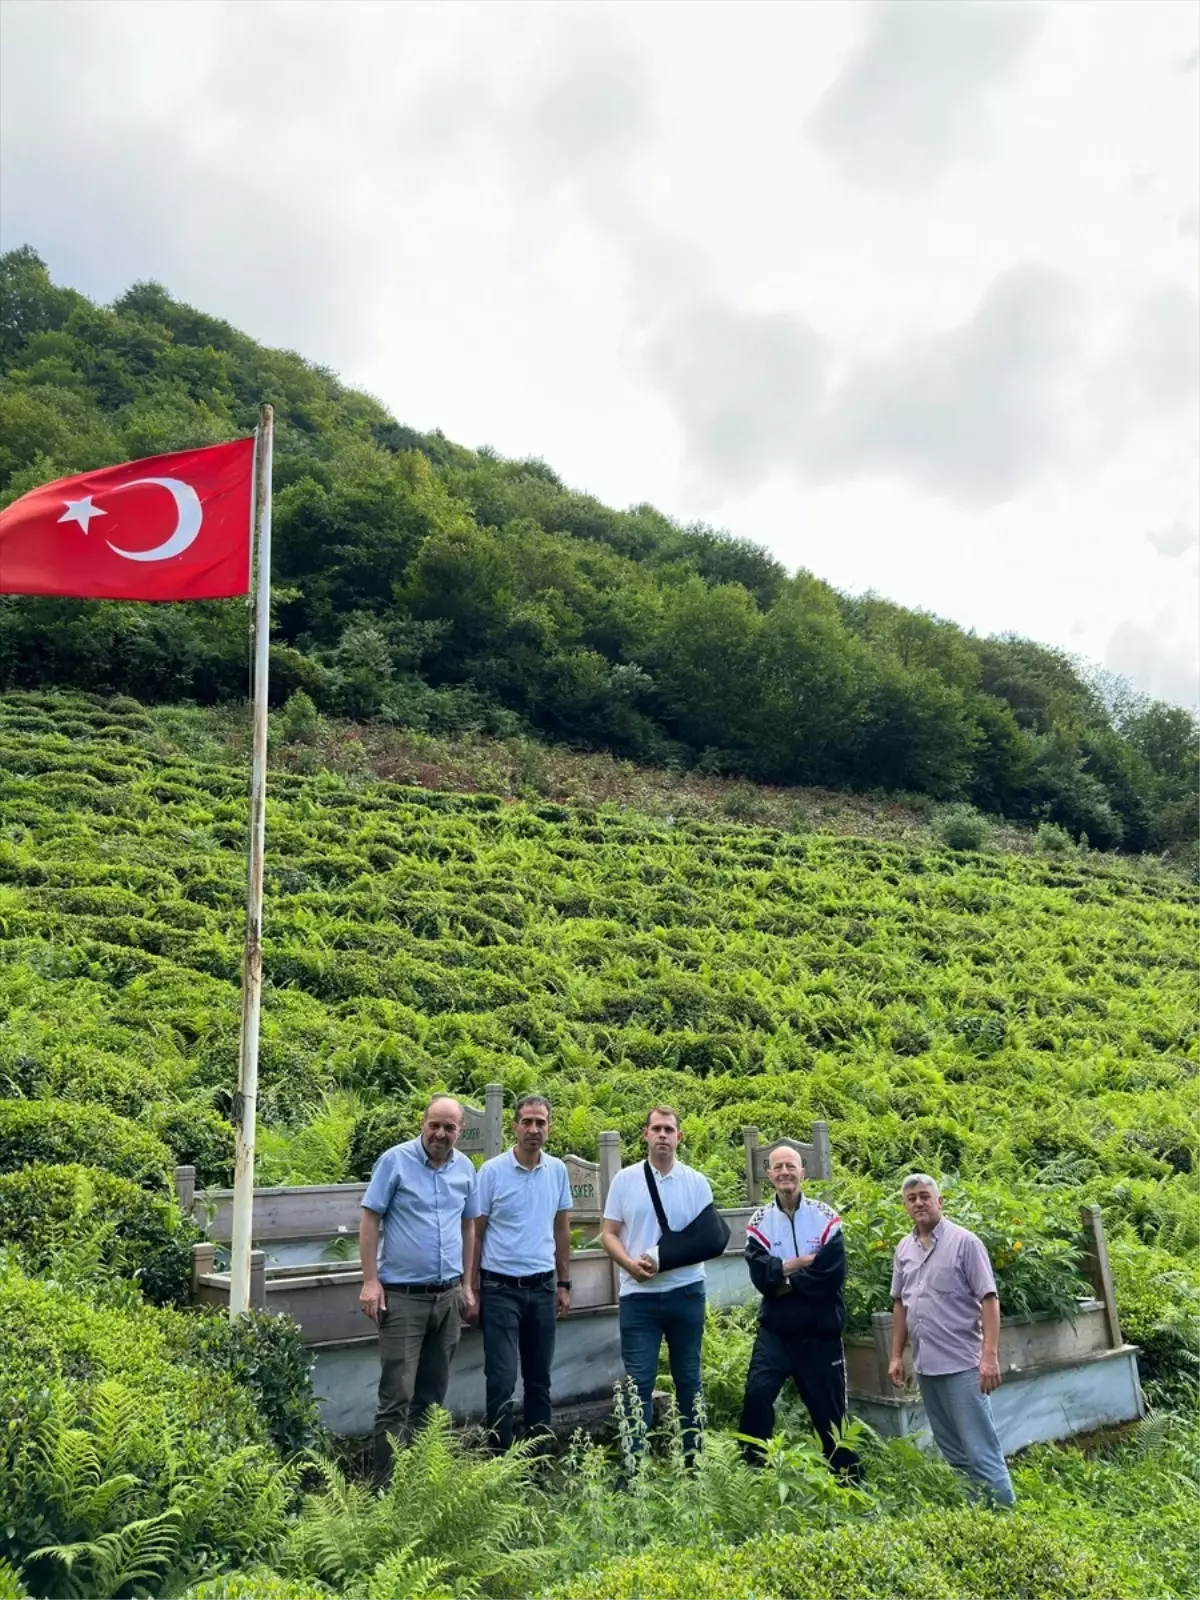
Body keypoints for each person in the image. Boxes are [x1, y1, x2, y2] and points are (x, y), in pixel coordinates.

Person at [359, 1094, 479, 1481]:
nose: (440, 1134)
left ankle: (421, 1481)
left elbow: (468, 1225)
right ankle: (387, 1487)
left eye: (449, 1127)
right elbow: (369, 1219)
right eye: (434, 1125)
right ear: (422, 1123)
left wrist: (467, 1284)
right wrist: (370, 1281)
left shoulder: (465, 1169)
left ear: (460, 1130)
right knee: (396, 1397)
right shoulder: (395, 1161)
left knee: (432, 1397)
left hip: (447, 1298)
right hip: (403, 1300)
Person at [888, 1173, 1016, 1507]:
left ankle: (1009, 1521)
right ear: (905, 1206)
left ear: (939, 1201)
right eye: (912, 1198)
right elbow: (900, 1303)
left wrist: (988, 1357)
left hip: (963, 1365)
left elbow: (989, 1299)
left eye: (925, 1196)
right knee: (954, 1452)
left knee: (981, 1452)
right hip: (928, 1366)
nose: (918, 1203)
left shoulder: (965, 1243)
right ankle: (977, 1518)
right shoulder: (904, 1249)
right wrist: (896, 1356)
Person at [738, 1142, 860, 1478]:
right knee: (757, 1397)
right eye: (778, 1167)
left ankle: (847, 1481)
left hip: (821, 1333)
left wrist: (785, 1278)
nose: (785, 1173)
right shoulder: (759, 1221)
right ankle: (752, 1473)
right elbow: (761, 1277)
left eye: (790, 1166)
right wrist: (803, 1263)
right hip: (775, 1333)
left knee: (831, 1414)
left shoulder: (825, 1217)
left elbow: (832, 1274)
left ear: (803, 1172)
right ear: (769, 1175)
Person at [601, 1105, 713, 1457]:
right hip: (639, 1297)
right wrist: (630, 1266)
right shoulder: (625, 1180)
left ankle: (695, 1461)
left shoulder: (696, 1182)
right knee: (639, 1384)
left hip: (686, 1293)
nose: (663, 1135)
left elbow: (708, 1240)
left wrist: (662, 1260)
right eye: (657, 1129)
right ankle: (634, 1468)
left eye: (669, 1129)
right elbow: (609, 1233)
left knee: (689, 1379)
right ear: (645, 1135)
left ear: (679, 1137)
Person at [471, 1094, 572, 1451]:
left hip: (543, 1288)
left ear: (549, 1127)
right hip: (499, 1288)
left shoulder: (557, 1170)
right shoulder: (492, 1172)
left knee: (539, 1377)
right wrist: (472, 1289)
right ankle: (500, 1457)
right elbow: (476, 1232)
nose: (533, 1129)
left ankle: (538, 1455)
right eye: (527, 1122)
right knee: (500, 1378)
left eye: (540, 1123)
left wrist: (563, 1283)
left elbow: (561, 1230)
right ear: (514, 1126)